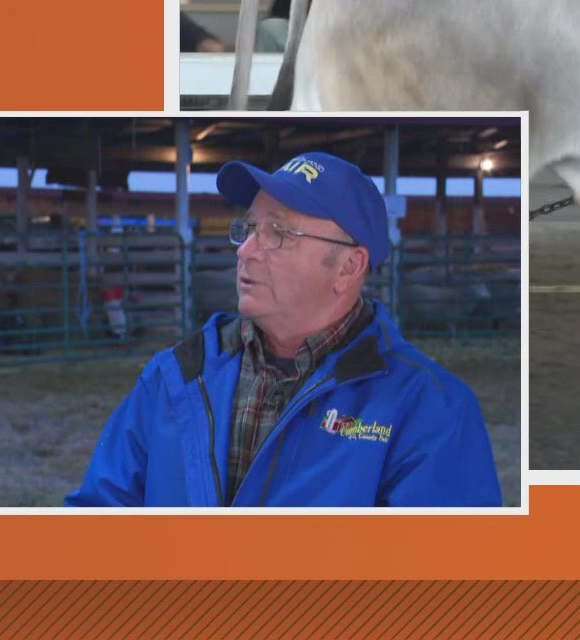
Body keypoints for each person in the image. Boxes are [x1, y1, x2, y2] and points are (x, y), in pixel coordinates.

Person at [66, 151, 503, 507]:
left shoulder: (430, 409)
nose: (247, 251)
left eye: (279, 233)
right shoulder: (174, 378)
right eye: (249, 228)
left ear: (349, 267)